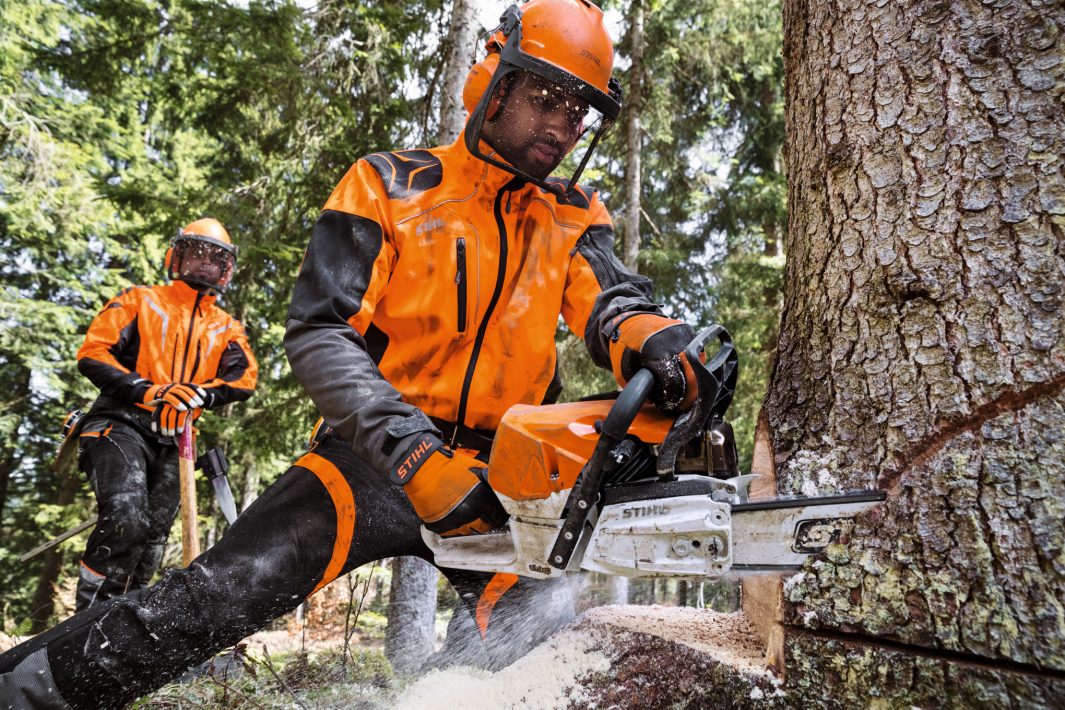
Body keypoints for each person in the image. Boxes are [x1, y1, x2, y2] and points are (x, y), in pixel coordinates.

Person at [0, 2, 702, 707]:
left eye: (578, 109)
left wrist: (655, 340)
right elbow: (320, 331)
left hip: (501, 481)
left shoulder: (573, 211)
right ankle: (21, 693)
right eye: (546, 98)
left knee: (544, 648)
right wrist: (409, 452)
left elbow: (611, 303)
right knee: (220, 593)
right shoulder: (389, 184)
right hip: (367, 458)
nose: (561, 124)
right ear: (492, 80)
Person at [70, 217, 259, 610]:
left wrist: (195, 395)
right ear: (177, 257)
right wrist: (149, 391)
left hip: (177, 438)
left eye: (216, 258)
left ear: (227, 270)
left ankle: (125, 621)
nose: (206, 262)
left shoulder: (227, 328)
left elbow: (244, 379)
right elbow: (93, 353)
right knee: (126, 518)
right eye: (197, 252)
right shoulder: (140, 300)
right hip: (120, 423)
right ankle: (87, 618)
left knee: (154, 536)